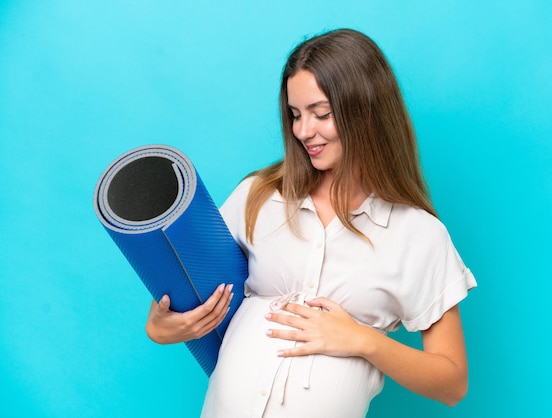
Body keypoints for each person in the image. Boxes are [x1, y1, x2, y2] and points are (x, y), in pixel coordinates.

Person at [145, 28, 477, 417]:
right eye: (295, 115)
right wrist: (161, 327)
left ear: (366, 110)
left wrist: (363, 340)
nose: (303, 131)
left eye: (322, 114)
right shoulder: (258, 196)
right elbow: (188, 288)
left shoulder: (417, 234)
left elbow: (452, 383)